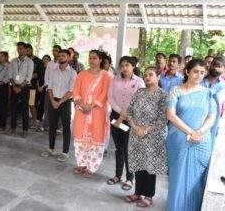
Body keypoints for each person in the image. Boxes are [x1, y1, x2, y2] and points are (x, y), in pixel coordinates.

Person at [166, 59, 217, 211]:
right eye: (195, 72)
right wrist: (190, 132)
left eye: (202, 73)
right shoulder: (176, 90)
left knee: (196, 182)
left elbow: (212, 116)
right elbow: (170, 115)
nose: (199, 75)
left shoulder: (208, 93)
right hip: (179, 139)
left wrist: (199, 132)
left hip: (201, 141)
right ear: (187, 72)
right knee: (178, 179)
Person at [124, 67, 168, 208]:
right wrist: (136, 127)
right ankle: (137, 193)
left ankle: (148, 195)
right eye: (145, 75)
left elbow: (162, 118)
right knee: (138, 164)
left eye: (151, 74)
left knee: (150, 166)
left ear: (158, 77)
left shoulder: (163, 95)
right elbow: (129, 111)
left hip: (152, 137)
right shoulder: (139, 92)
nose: (147, 77)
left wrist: (145, 130)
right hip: (136, 135)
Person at [107, 56, 145, 190]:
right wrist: (120, 112)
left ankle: (130, 178)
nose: (124, 68)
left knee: (129, 148)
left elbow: (140, 101)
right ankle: (117, 175)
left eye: (127, 65)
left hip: (131, 119)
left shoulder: (139, 81)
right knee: (119, 147)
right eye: (122, 65)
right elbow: (110, 97)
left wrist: (125, 114)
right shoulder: (114, 79)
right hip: (115, 117)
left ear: (133, 66)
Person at [72, 50, 111, 177]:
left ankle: (91, 167)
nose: (91, 60)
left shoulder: (106, 76)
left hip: (97, 112)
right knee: (80, 136)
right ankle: (82, 162)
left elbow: (105, 93)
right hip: (81, 111)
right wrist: (82, 104)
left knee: (95, 137)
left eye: (94, 58)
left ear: (100, 60)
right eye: (90, 58)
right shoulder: (82, 74)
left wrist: (91, 106)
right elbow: (76, 91)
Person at [41, 49, 76, 162]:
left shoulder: (72, 73)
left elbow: (71, 91)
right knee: (52, 126)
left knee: (66, 127)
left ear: (69, 58)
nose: (60, 57)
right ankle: (51, 149)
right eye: (59, 55)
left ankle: (65, 152)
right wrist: (52, 101)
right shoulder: (54, 71)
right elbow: (49, 87)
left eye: (63, 55)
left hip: (65, 102)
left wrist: (59, 102)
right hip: (53, 100)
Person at [7, 42, 34, 137]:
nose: (19, 50)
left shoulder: (30, 62)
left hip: (24, 87)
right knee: (13, 108)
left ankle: (25, 130)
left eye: (21, 48)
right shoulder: (13, 61)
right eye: (18, 48)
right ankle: (13, 127)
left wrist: (20, 87)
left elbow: (28, 77)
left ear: (26, 50)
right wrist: (14, 86)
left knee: (24, 109)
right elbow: (10, 76)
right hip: (14, 87)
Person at [201, 56, 225, 145]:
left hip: (211, 123)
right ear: (210, 64)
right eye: (214, 64)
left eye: (219, 66)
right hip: (193, 120)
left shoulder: (223, 86)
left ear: (224, 69)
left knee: (206, 151)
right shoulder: (199, 79)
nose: (215, 68)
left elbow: (217, 101)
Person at [26, 44, 43, 129]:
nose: (26, 52)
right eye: (26, 50)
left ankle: (35, 122)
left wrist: (30, 76)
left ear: (31, 50)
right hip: (23, 86)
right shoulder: (23, 60)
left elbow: (39, 74)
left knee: (32, 104)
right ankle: (26, 121)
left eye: (28, 50)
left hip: (33, 86)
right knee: (26, 104)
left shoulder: (38, 61)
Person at [36, 55, 51, 132]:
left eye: (47, 59)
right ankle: (37, 123)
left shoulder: (50, 69)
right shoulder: (40, 68)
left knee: (44, 107)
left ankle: (43, 125)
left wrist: (42, 87)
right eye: (44, 59)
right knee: (39, 106)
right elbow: (38, 79)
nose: (45, 60)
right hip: (39, 89)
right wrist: (39, 87)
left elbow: (49, 80)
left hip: (46, 89)